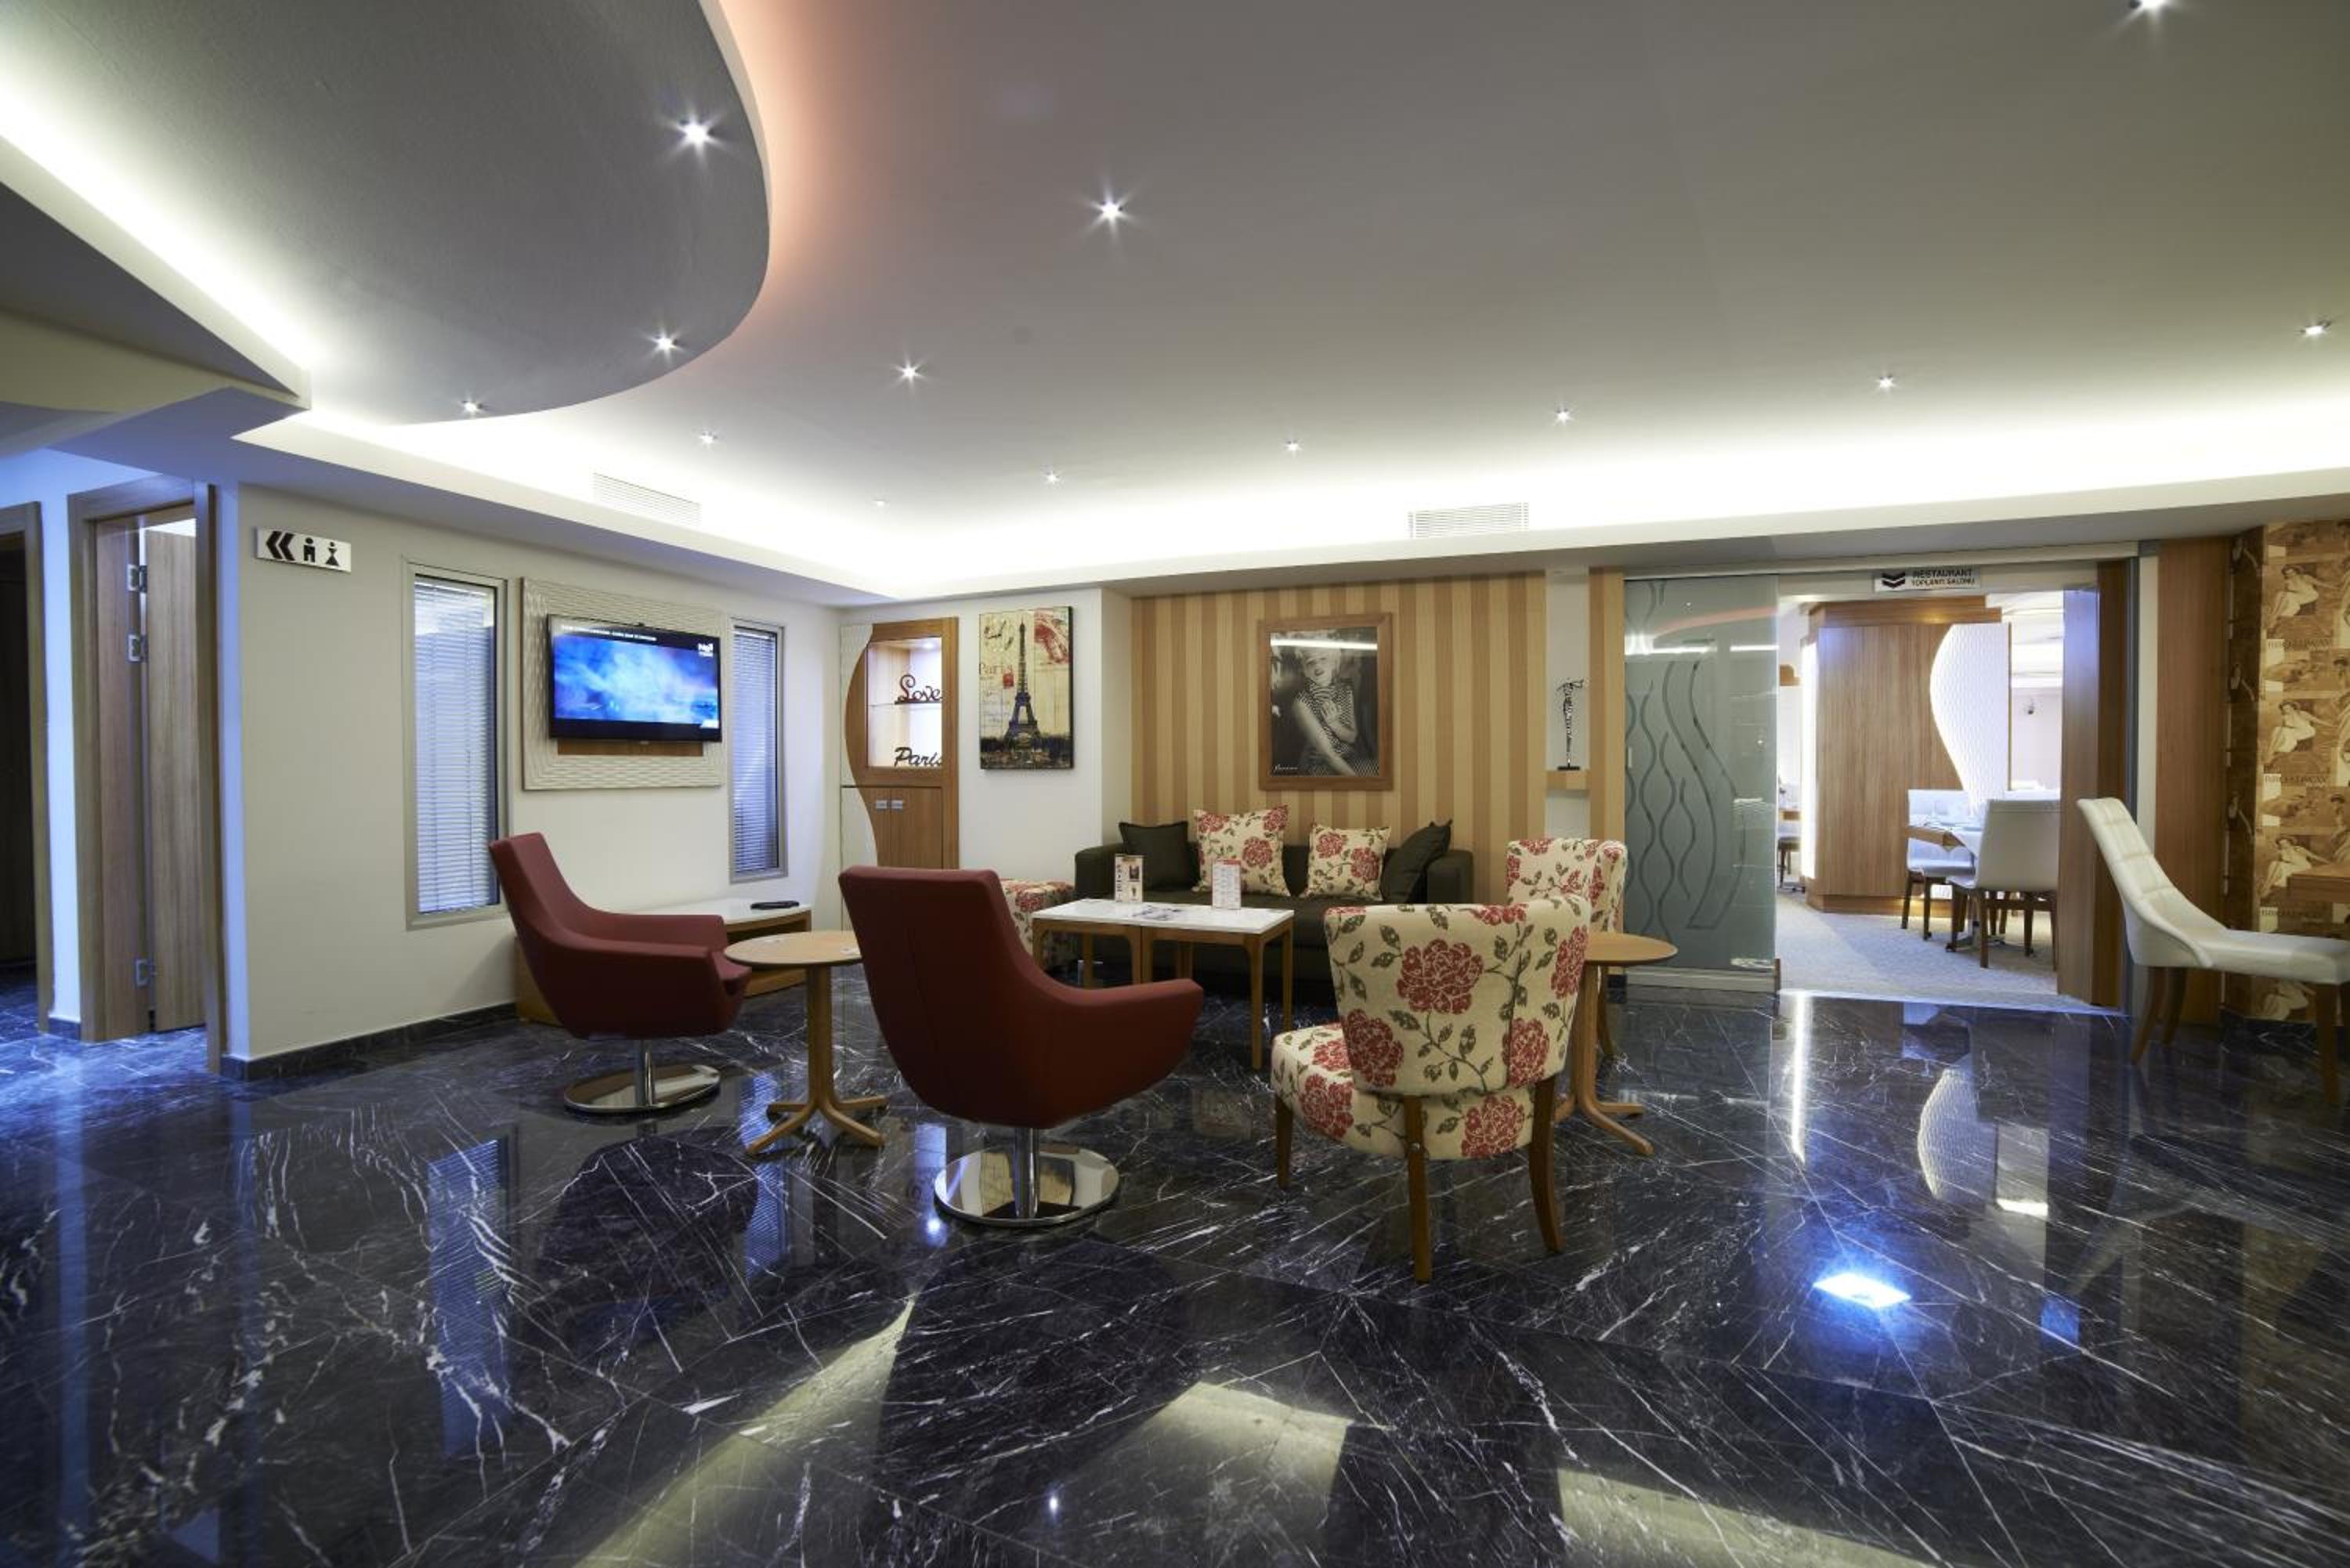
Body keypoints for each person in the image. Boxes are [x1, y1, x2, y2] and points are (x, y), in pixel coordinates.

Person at [1289, 642, 1368, 775]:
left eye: (1323, 658)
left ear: (1334, 663)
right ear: (1304, 671)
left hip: (1349, 759)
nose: (1317, 665)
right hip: (1319, 767)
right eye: (1310, 662)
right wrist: (1359, 782)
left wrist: (1334, 724)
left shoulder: (1346, 691)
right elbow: (1328, 756)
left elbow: (1352, 737)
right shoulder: (1301, 702)